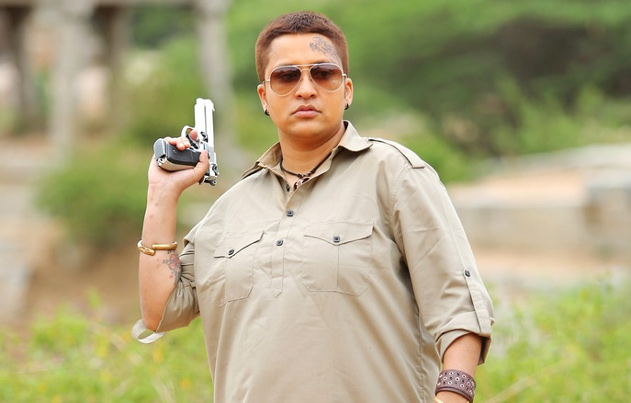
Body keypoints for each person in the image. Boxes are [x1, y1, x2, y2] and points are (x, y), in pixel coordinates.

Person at [135, 10, 494, 403]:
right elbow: (161, 310)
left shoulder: (394, 175)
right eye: (286, 77)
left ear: (347, 90)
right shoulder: (231, 208)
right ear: (264, 96)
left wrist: (453, 395)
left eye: (323, 74)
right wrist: (161, 196)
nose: (306, 89)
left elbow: (459, 311)